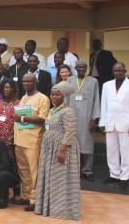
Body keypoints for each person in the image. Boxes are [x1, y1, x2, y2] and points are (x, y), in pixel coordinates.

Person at [34, 82, 81, 219]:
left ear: (64, 96)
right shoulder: (52, 110)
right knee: (49, 178)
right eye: (52, 94)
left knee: (60, 179)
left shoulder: (68, 111)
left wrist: (62, 150)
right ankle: (47, 207)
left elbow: (70, 132)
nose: (54, 97)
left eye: (57, 94)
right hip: (49, 148)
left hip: (61, 148)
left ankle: (62, 211)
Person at [13, 73, 50, 211]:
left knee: (34, 171)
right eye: (24, 81)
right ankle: (26, 196)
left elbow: (43, 118)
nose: (26, 83)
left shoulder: (43, 98)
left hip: (33, 140)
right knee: (23, 170)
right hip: (20, 140)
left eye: (29, 81)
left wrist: (22, 119)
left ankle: (34, 200)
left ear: (36, 82)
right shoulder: (24, 97)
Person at [100, 62, 129, 186]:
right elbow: (104, 105)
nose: (117, 73)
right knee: (111, 149)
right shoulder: (107, 85)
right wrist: (102, 121)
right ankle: (114, 174)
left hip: (126, 124)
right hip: (110, 122)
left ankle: (125, 176)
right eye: (115, 71)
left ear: (125, 71)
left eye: (119, 71)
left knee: (126, 150)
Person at [65, 60, 99, 181]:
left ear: (87, 68)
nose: (82, 69)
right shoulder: (69, 80)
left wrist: (94, 118)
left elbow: (96, 100)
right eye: (79, 67)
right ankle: (73, 170)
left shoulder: (93, 81)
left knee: (87, 144)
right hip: (72, 118)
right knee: (72, 144)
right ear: (75, 68)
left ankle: (87, 171)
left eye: (84, 67)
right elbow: (66, 100)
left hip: (87, 118)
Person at [0, 79, 20, 187]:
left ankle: (16, 192)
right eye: (5, 87)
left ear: (13, 88)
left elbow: (22, 123)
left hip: (10, 142)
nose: (7, 89)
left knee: (13, 165)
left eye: (9, 87)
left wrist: (14, 135)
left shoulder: (19, 104)